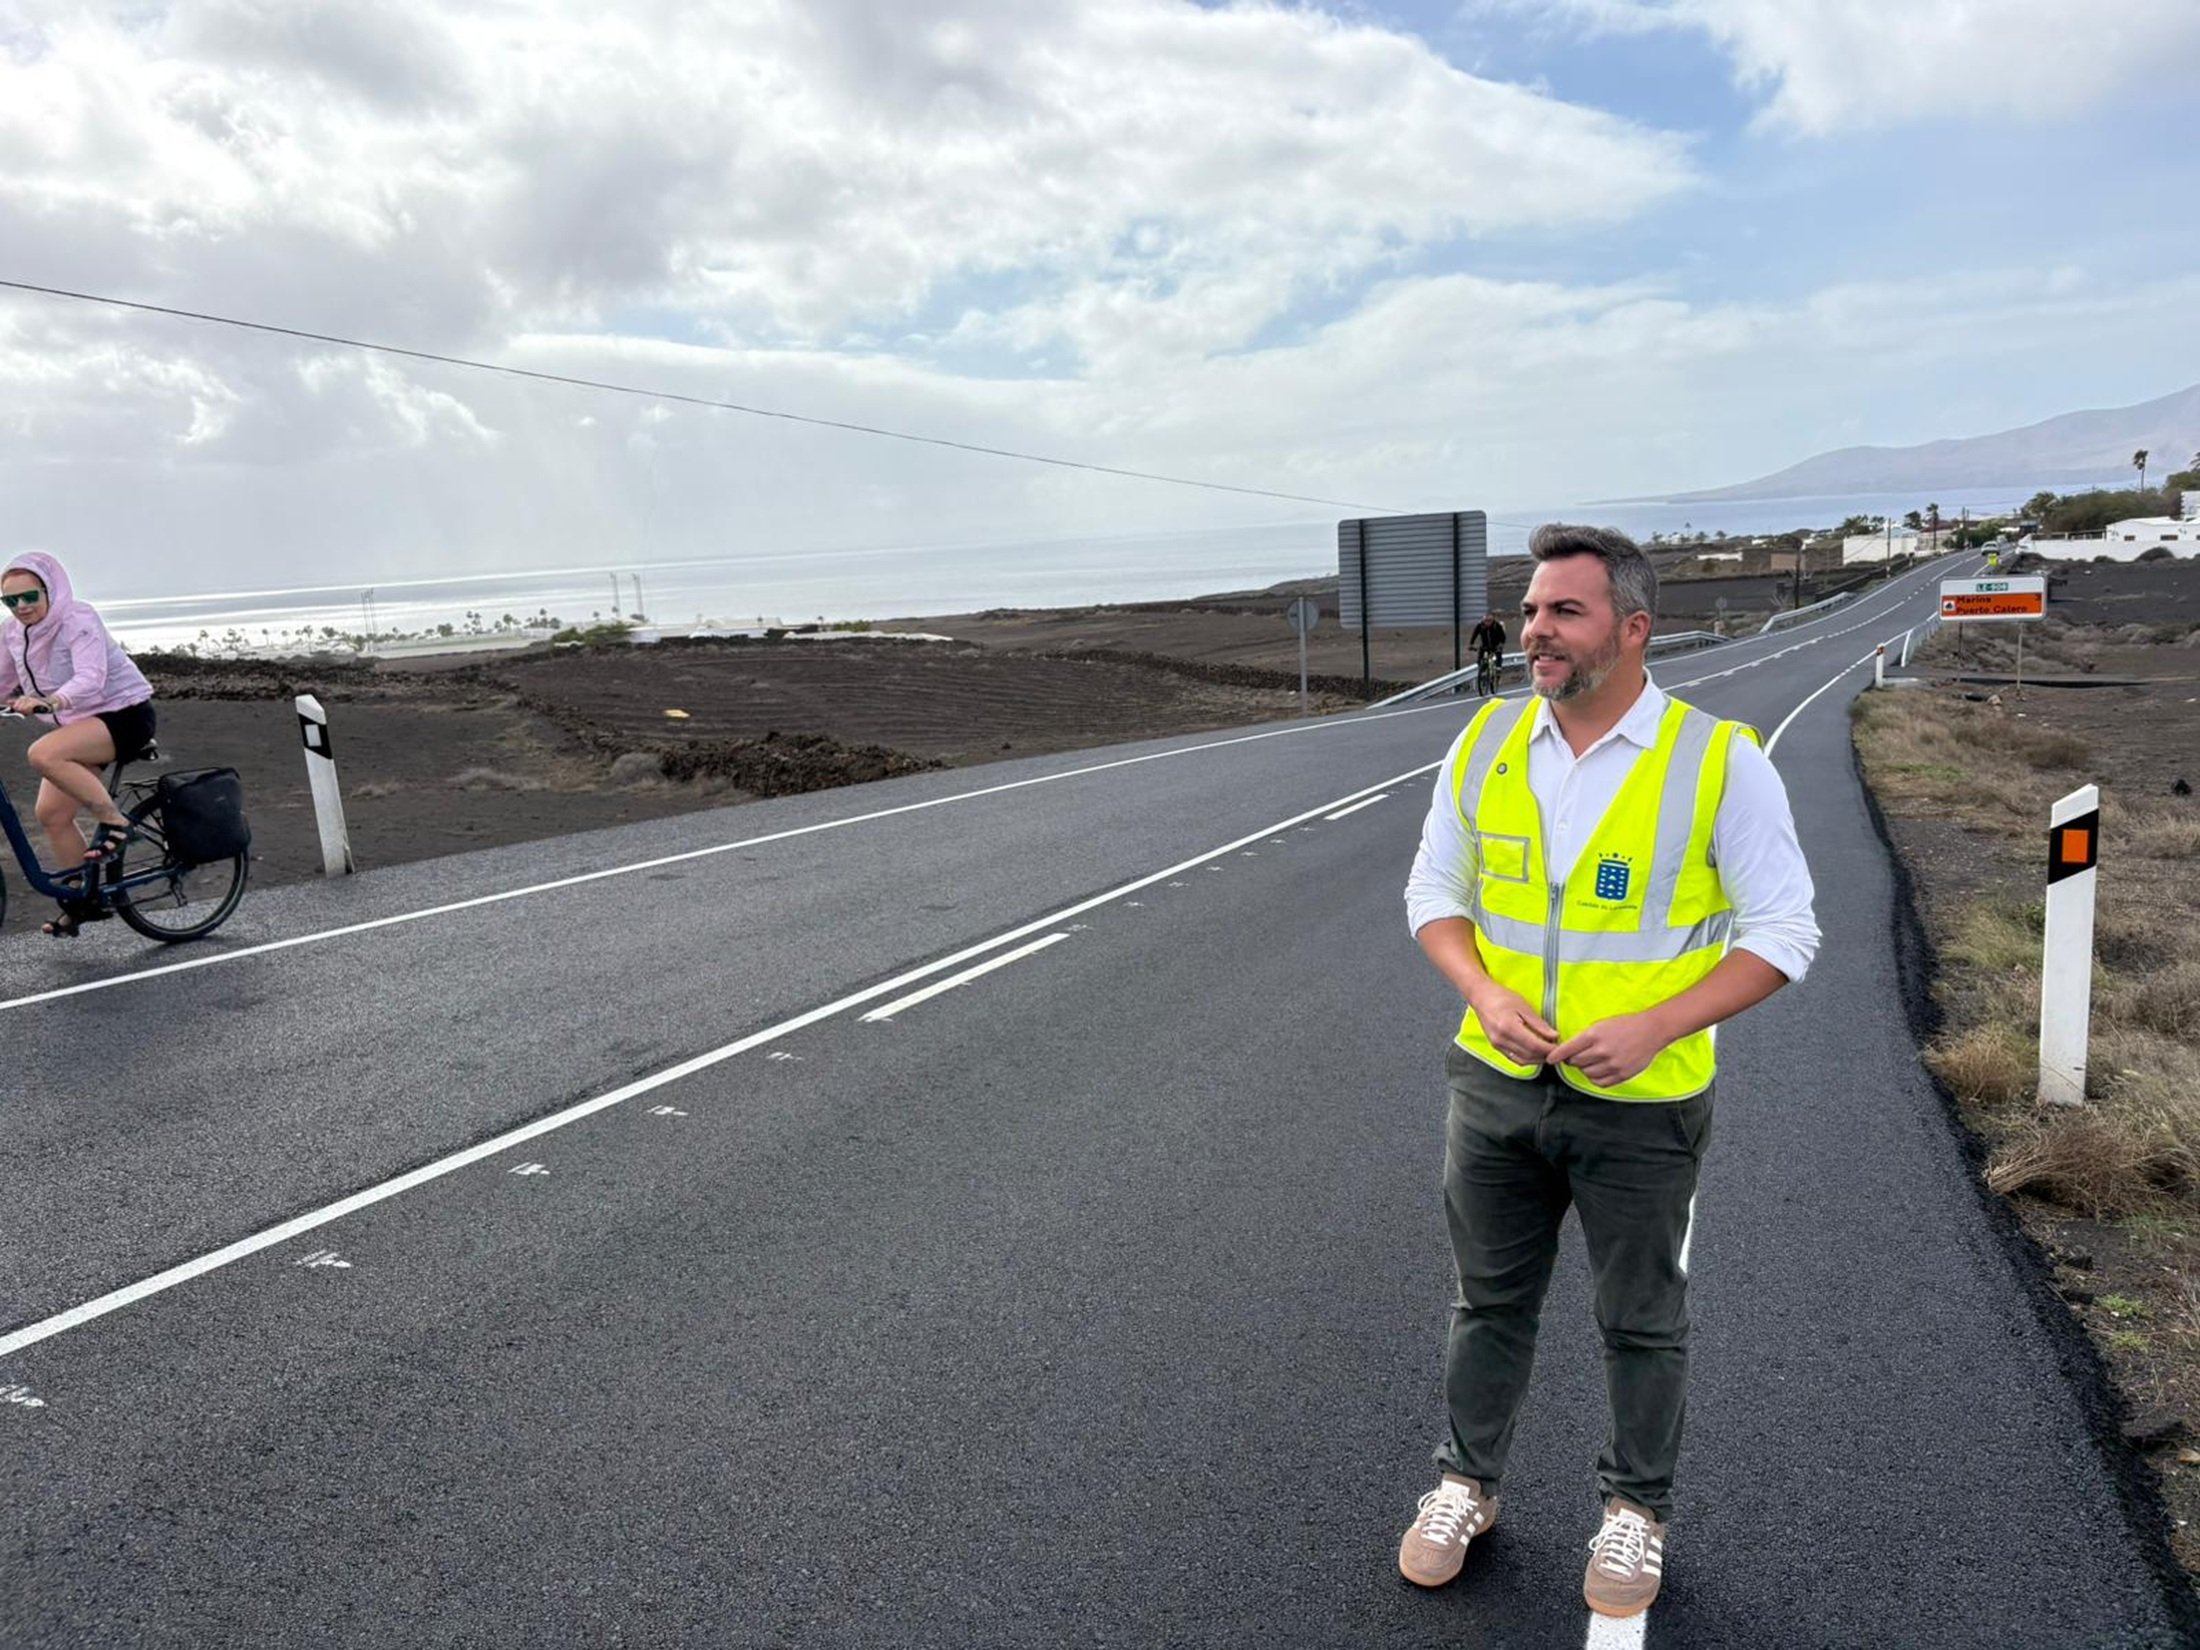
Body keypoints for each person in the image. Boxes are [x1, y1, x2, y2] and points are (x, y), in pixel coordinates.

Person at [1396, 524, 1818, 1618]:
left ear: (1632, 629)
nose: (1535, 629)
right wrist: (1483, 994)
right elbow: (1432, 895)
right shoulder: (1484, 742)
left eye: (1563, 612)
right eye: (1533, 609)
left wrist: (1654, 1025)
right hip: (1492, 1086)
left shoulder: (1720, 759)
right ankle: (1465, 1485)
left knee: (1638, 1318)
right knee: (1487, 1303)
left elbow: (1785, 932)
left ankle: (1636, 1511)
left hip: (1641, 1100)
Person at [0, 552, 158, 937]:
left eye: (30, 597)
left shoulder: (77, 618)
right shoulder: (11, 631)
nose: (21, 607)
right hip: (80, 724)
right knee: (51, 815)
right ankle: (82, 903)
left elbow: (91, 676)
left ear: (50, 590)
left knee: (42, 753)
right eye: (11, 600)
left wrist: (51, 701)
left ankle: (115, 822)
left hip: (124, 715)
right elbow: (2, 679)